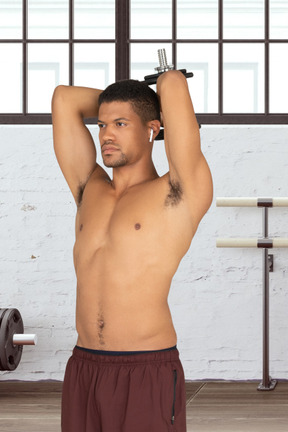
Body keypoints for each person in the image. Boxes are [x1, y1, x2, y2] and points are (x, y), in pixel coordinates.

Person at [52, 70, 213, 432]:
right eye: (102, 124)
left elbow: (171, 84)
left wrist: (162, 88)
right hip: (84, 367)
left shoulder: (179, 193)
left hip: (147, 367)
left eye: (121, 124)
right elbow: (64, 99)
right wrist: (125, 105)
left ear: (153, 128)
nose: (106, 134)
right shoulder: (88, 188)